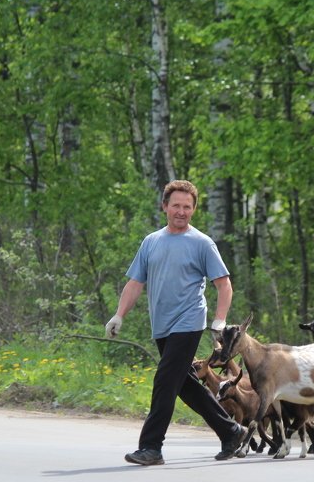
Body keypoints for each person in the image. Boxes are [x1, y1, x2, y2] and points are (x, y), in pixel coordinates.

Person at [105, 179, 247, 465]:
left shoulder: (202, 243)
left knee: (165, 381)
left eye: (187, 206)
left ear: (193, 209)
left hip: (189, 320)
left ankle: (151, 447)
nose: (181, 211)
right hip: (162, 325)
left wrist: (219, 321)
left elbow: (224, 285)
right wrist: (119, 314)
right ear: (165, 207)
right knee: (184, 384)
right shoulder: (151, 242)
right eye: (176, 206)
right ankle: (231, 431)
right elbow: (135, 283)